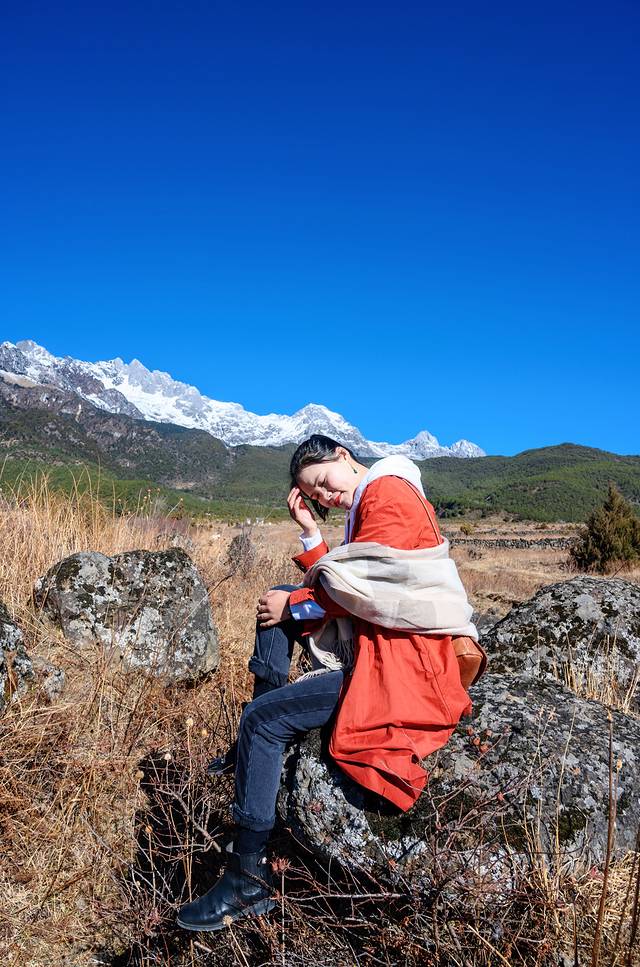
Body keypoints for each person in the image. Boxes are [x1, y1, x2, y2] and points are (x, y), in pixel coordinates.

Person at [177, 434, 486, 933]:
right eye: (314, 495)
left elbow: (359, 587)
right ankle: (255, 746)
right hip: (384, 644)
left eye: (322, 482)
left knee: (263, 716)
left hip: (402, 663)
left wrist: (297, 605)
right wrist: (307, 533)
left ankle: (245, 874)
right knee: (278, 600)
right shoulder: (371, 499)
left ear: (343, 455)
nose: (323, 496)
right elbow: (354, 582)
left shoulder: (388, 492)